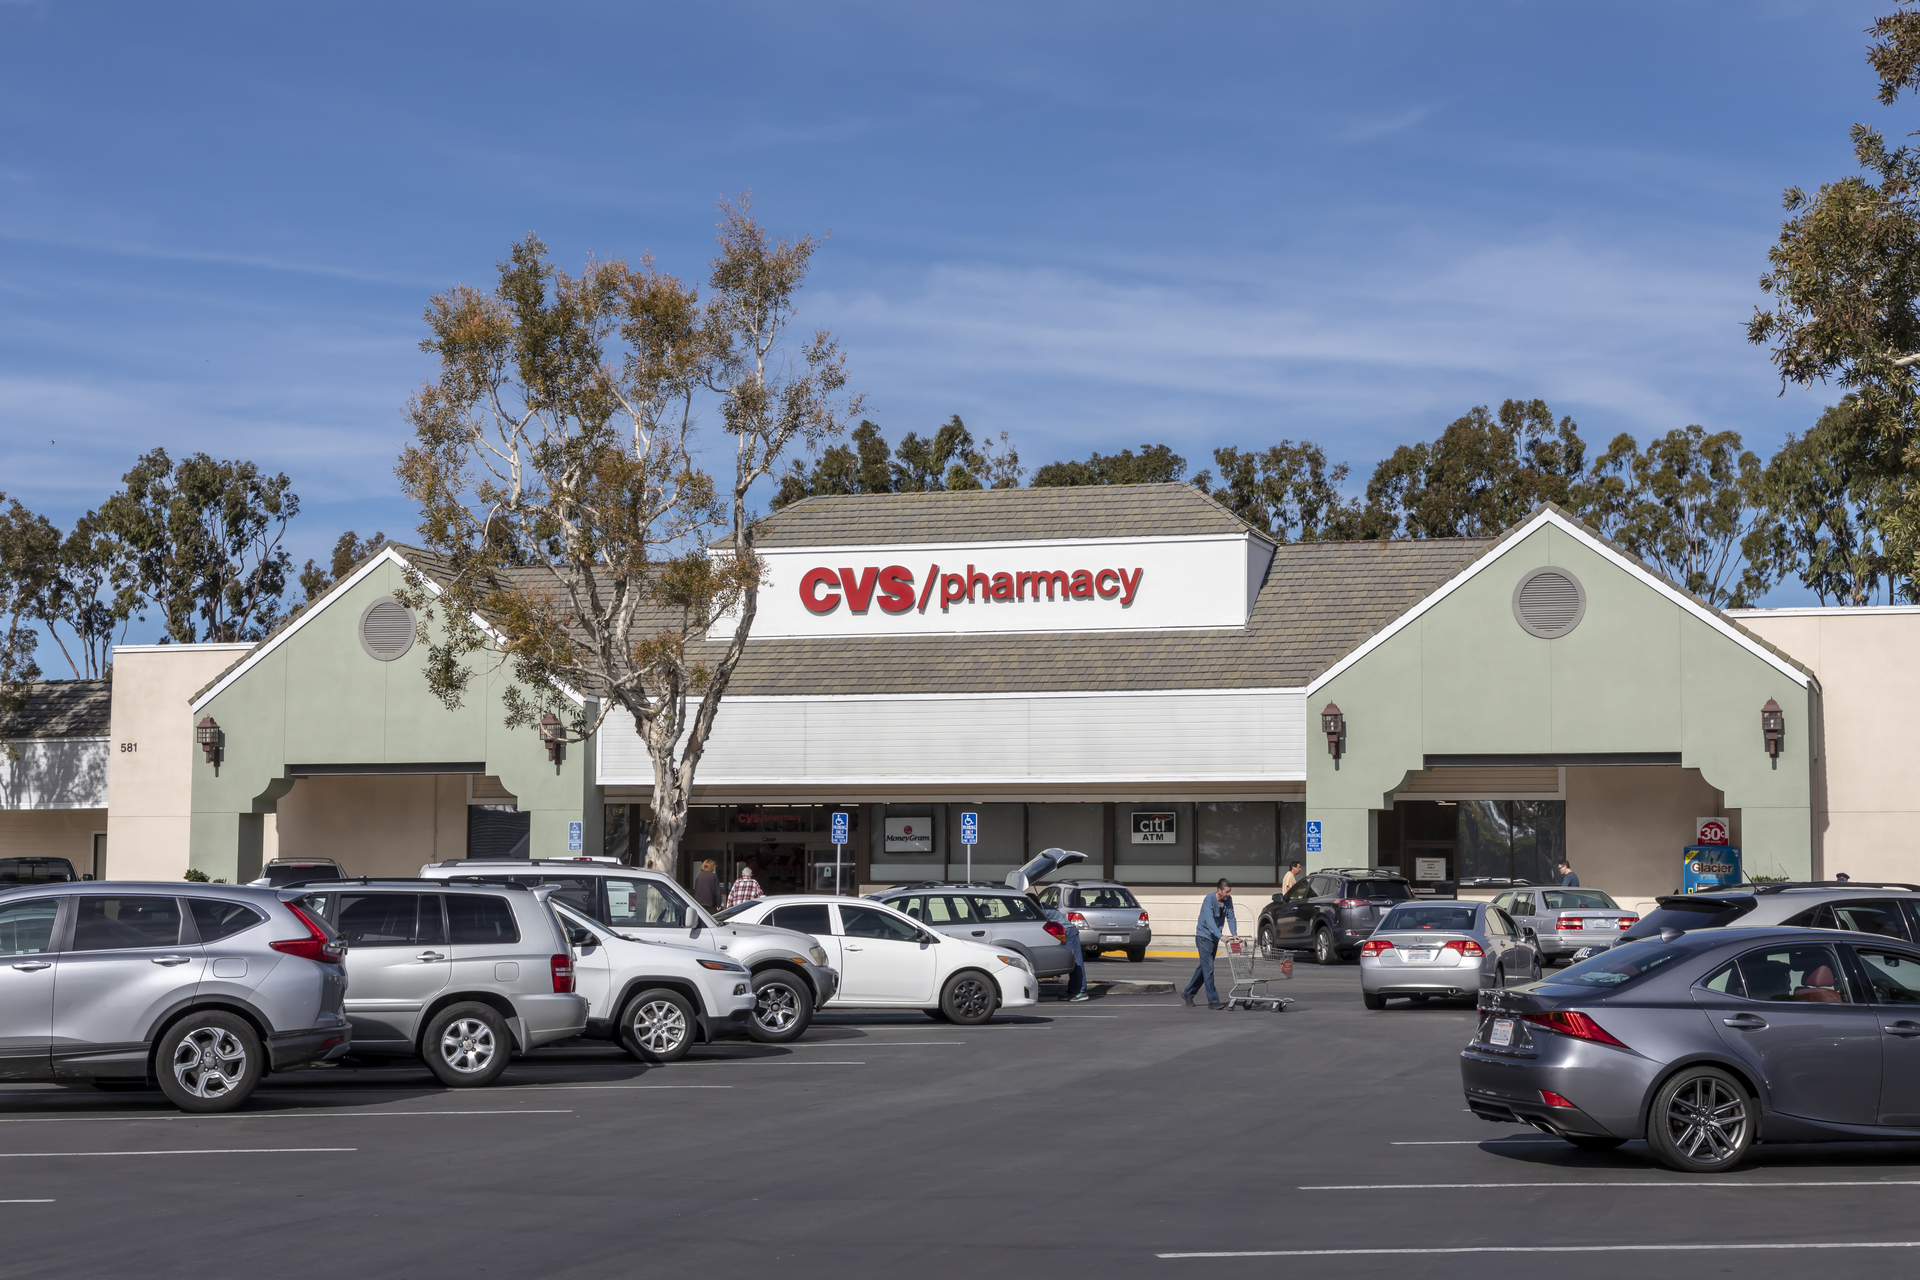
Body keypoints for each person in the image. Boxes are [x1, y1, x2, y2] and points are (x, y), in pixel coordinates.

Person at [1183, 879, 1238, 1009]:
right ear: (1219, 890)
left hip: (1214, 938)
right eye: (1227, 891)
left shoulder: (1227, 900)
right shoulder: (1208, 900)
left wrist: (1234, 933)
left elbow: (1230, 916)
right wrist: (1221, 935)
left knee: (1204, 968)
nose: (1229, 894)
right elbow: (1209, 920)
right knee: (1208, 969)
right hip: (1203, 936)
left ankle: (1188, 993)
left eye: (1230, 891)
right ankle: (1213, 1001)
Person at [1031, 890, 1089, 1002]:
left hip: (1069, 932)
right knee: (1072, 962)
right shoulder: (1044, 907)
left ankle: (1081, 991)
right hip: (1064, 932)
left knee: (1076, 961)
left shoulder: (1042, 910)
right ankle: (1072, 991)